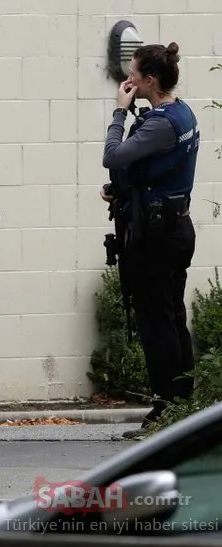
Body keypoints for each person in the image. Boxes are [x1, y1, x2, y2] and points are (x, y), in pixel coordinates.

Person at [100, 42, 199, 439]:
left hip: (156, 238)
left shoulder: (160, 122)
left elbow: (114, 155)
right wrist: (123, 191)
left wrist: (118, 112)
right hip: (173, 228)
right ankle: (183, 406)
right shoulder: (182, 112)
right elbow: (153, 171)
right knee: (173, 318)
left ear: (150, 81)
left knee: (157, 323)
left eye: (134, 75)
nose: (129, 81)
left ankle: (166, 413)